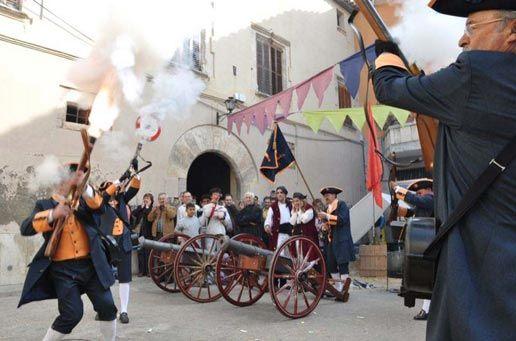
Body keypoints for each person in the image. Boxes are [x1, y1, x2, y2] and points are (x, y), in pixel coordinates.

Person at [372, 2, 516, 339]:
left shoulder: (476, 73)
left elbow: (388, 87)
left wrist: (386, 53)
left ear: (511, 30)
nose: (462, 41)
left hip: (480, 260)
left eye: (471, 26)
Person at [18, 163, 117, 341]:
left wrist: (85, 187)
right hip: (62, 270)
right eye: (71, 176)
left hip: (91, 265)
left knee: (107, 306)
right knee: (72, 314)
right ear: (60, 180)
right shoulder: (45, 204)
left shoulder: (85, 201)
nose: (74, 180)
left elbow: (101, 208)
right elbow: (25, 228)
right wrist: (53, 214)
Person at [98, 172, 140, 325]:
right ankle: (105, 308)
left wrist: (136, 174)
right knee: (103, 278)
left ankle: (123, 311)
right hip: (106, 244)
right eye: (109, 188)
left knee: (124, 279)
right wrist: (119, 179)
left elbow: (134, 189)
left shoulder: (122, 199)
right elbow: (105, 197)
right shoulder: (100, 202)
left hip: (123, 243)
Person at [391, 179, 434, 320]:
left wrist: (398, 190)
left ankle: (427, 310)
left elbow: (415, 200)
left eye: (420, 192)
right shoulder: (424, 202)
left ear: (428, 190)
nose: (419, 195)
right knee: (429, 278)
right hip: (424, 243)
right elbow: (411, 212)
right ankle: (426, 309)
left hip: (429, 242)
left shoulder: (431, 198)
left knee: (429, 278)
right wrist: (396, 208)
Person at [317, 186, 354, 300]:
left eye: (328, 195)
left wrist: (327, 216)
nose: (326, 197)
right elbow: (330, 225)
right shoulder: (327, 208)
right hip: (331, 240)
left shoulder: (341, 205)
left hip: (342, 240)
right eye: (325, 195)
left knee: (342, 264)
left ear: (334, 195)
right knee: (331, 264)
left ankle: (344, 289)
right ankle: (337, 288)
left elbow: (342, 220)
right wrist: (325, 226)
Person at [131, 193, 154, 277]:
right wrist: (141, 207)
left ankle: (148, 271)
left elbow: (149, 217)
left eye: (148, 198)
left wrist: (147, 207)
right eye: (145, 198)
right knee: (140, 252)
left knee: (148, 253)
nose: (146, 200)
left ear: (151, 200)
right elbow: (133, 213)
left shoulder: (152, 209)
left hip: (148, 233)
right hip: (140, 233)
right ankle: (141, 271)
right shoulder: (141, 208)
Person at [264, 186, 292, 251]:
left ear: (285, 194)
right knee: (279, 253)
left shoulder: (290, 205)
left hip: (289, 233)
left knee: (290, 254)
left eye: (281, 192)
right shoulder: (273, 206)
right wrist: (267, 225)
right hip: (278, 234)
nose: (279, 194)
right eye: (277, 193)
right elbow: (269, 218)